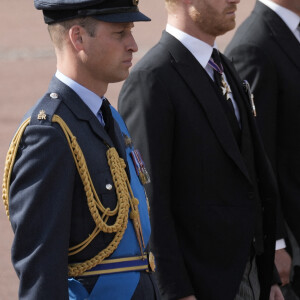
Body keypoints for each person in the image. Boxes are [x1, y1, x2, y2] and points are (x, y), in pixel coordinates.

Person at [118, 0, 285, 299]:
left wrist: (266, 274)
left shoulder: (223, 66)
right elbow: (148, 202)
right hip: (201, 283)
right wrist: (175, 291)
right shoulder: (152, 79)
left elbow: (249, 176)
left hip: (248, 277)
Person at [1, 0, 161, 299]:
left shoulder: (108, 116)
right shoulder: (49, 133)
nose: (133, 45)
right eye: (120, 33)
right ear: (78, 38)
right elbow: (40, 275)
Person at [225, 0, 300, 298]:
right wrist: (275, 243)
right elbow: (258, 156)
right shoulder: (253, 46)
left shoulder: (290, 31)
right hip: (292, 247)